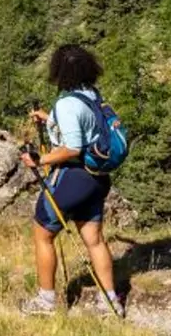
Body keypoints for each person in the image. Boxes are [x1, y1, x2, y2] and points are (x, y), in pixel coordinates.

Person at [20, 43, 122, 317]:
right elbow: (84, 130)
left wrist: (39, 160)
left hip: (72, 178)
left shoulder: (66, 104)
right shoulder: (91, 95)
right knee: (95, 239)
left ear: (59, 71)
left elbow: (73, 148)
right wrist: (50, 120)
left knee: (43, 234)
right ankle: (110, 302)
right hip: (96, 179)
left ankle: (46, 301)